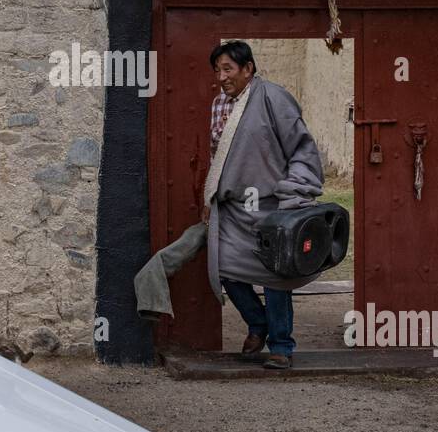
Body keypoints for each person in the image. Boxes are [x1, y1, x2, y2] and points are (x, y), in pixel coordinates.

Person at [132, 40, 325, 370]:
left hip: (273, 206)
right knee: (226, 269)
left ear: (248, 68)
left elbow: (301, 148)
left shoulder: (274, 99)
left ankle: (281, 346)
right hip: (234, 208)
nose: (221, 77)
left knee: (276, 277)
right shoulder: (220, 103)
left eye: (228, 69)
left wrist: (295, 191)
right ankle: (258, 322)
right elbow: (217, 157)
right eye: (217, 70)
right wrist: (211, 197)